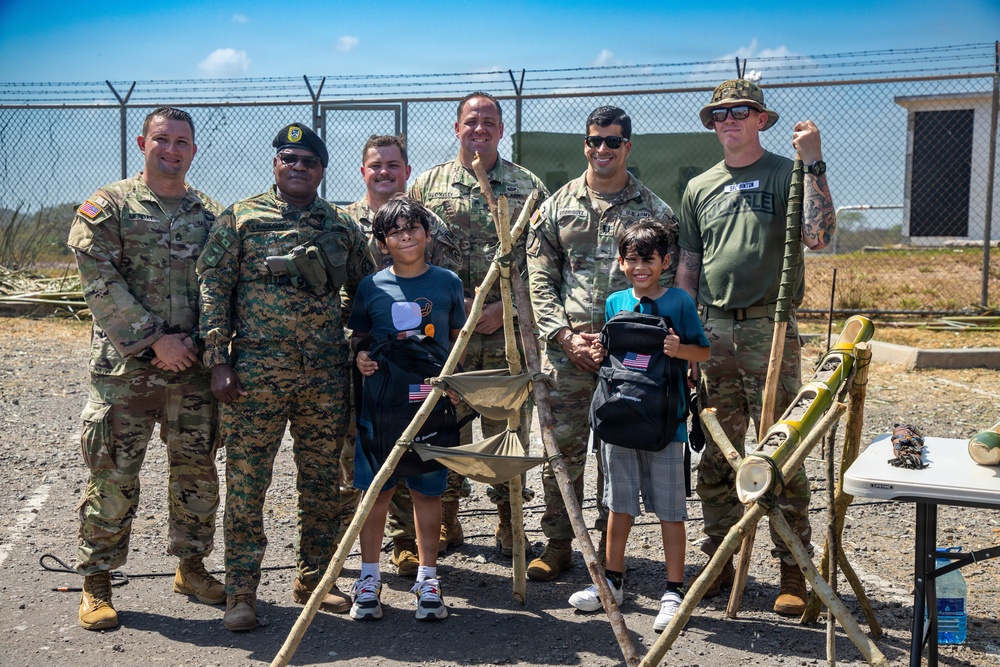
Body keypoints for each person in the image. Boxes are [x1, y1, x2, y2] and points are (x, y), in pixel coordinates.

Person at [197, 123, 375, 631]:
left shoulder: (340, 225)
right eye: (289, 159)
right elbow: (214, 288)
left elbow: (368, 289)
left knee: (322, 483)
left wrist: (358, 338)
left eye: (309, 162)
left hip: (323, 374)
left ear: (322, 170)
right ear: (275, 163)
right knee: (248, 484)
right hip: (254, 375)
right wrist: (218, 359)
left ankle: (315, 581)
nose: (298, 168)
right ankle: (241, 594)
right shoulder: (242, 217)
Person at [675, 78, 837, 616]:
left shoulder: (787, 173)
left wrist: (813, 161)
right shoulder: (699, 187)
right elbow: (690, 268)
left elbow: (818, 237)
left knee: (781, 448)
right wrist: (685, 330)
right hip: (714, 331)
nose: (729, 121)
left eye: (740, 112)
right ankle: (720, 558)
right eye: (719, 114)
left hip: (770, 331)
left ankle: (793, 570)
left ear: (761, 119)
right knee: (719, 448)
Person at [67, 107, 225, 631]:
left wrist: (199, 346)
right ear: (143, 142)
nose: (172, 150)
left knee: (197, 473)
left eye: (182, 141)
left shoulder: (210, 214)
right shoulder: (108, 205)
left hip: (193, 369)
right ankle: (96, 582)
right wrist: (156, 340)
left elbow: (221, 286)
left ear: (194, 150)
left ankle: (192, 568)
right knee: (113, 476)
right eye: (162, 139)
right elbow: (100, 280)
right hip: (127, 370)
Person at [526, 106, 680, 581]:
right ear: (585, 144)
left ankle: (611, 551)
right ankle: (558, 542)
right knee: (563, 448)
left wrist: (628, 341)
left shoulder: (655, 212)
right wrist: (565, 336)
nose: (602, 149)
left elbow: (668, 283)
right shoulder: (555, 206)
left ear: (628, 147)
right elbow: (538, 277)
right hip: (568, 352)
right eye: (594, 140)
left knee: (619, 447)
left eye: (613, 141)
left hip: (631, 356)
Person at [409, 92, 549, 557]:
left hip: (504, 332)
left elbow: (543, 261)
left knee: (508, 429)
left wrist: (504, 311)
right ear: (456, 128)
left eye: (489, 121)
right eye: (471, 121)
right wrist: (450, 314)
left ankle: (510, 522)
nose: (479, 129)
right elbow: (411, 258)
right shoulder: (427, 188)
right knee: (444, 427)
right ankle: (446, 520)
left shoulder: (527, 187)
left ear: (501, 129)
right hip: (446, 336)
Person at [568, 221, 709, 632]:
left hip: (666, 424)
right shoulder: (614, 302)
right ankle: (611, 583)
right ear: (620, 262)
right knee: (618, 504)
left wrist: (679, 349)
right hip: (621, 418)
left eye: (648, 260)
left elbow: (703, 350)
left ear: (666, 262)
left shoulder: (680, 303)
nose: (640, 268)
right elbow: (614, 354)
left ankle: (674, 591)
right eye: (632, 260)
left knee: (670, 509)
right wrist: (599, 347)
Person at [344, 135, 462, 577]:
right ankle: (369, 578)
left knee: (428, 489)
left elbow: (455, 339)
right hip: (382, 403)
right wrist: (360, 357)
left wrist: (450, 382)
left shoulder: (447, 282)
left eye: (413, 228)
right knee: (377, 489)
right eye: (394, 231)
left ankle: (429, 578)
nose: (405, 236)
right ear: (381, 241)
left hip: (430, 401)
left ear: (429, 233)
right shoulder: (371, 287)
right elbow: (359, 334)